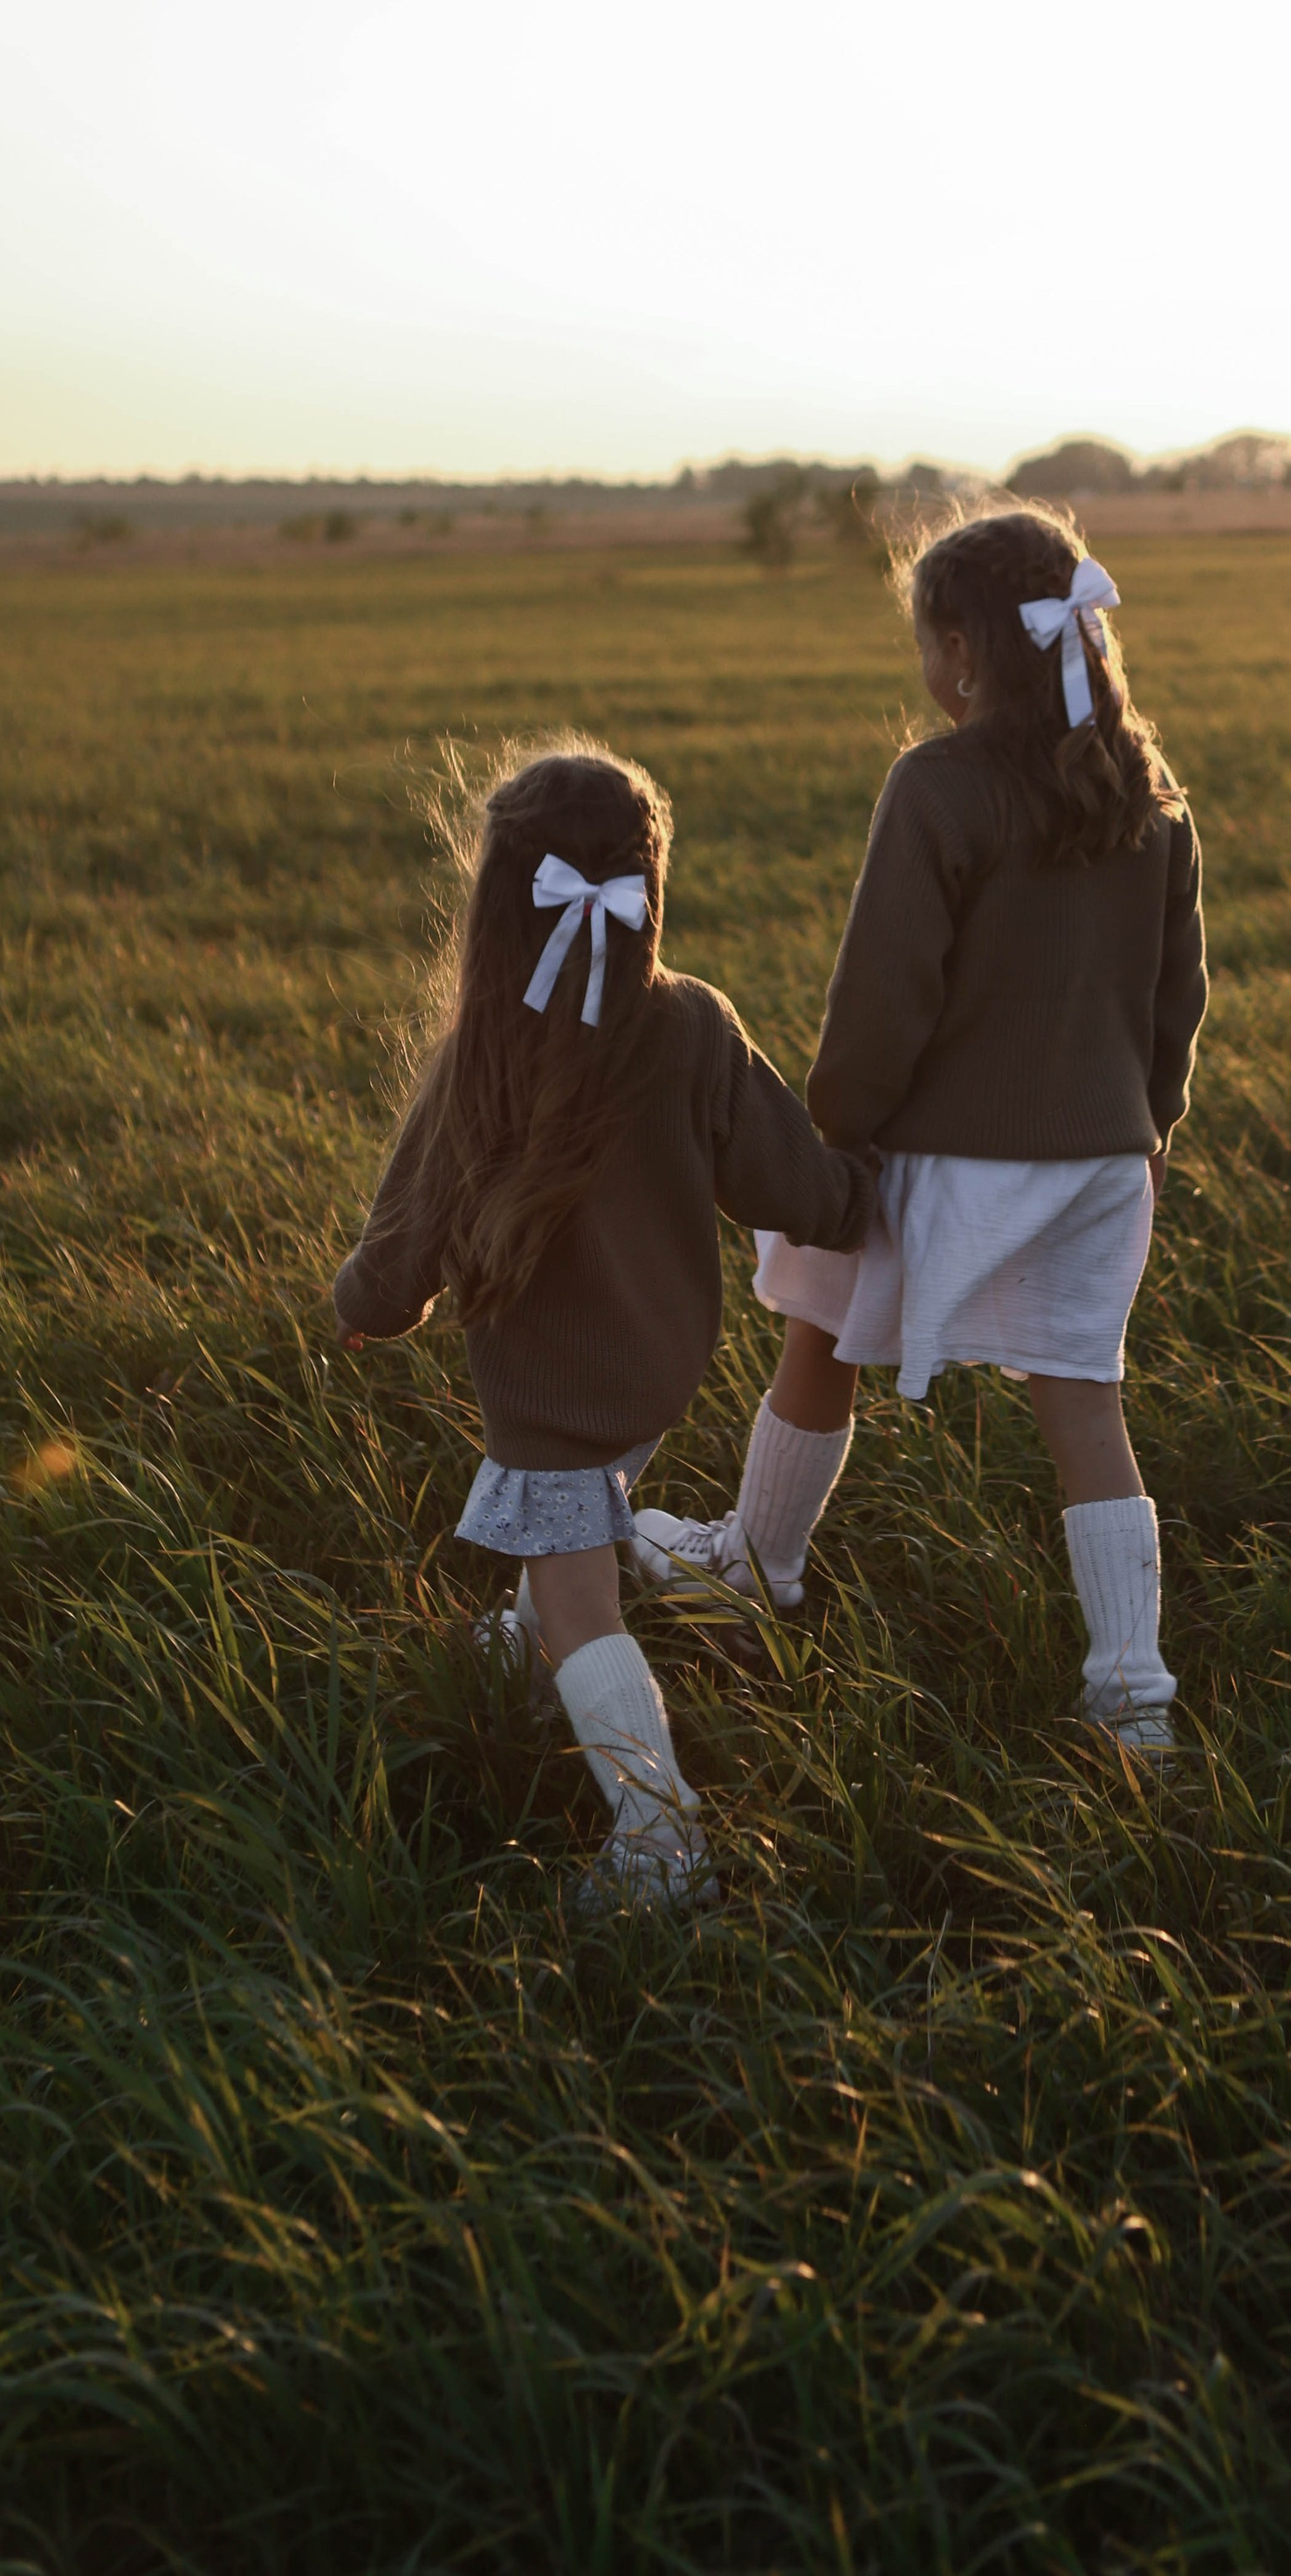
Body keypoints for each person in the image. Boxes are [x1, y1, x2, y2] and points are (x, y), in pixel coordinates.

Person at [628, 505, 1207, 1754]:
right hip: (1103, 1163)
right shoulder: (1147, 788)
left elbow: (886, 998)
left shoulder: (937, 786)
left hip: (940, 1156)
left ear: (960, 648)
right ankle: (1133, 1692)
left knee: (819, 1337)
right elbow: (1178, 997)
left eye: (924, 648)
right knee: (1084, 1405)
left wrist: (827, 1144)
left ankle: (761, 1569)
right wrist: (1146, 1125)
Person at [333, 742, 875, 1909]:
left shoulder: (484, 1048)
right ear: (647, 894)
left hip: (550, 1408)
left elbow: (403, 1237)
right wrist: (855, 1196)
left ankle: (658, 1840)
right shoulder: (691, 1024)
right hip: (656, 1368)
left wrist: (366, 1309)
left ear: (498, 902)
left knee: (586, 1612)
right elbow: (789, 1181)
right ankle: (526, 1657)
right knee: (569, 1560)